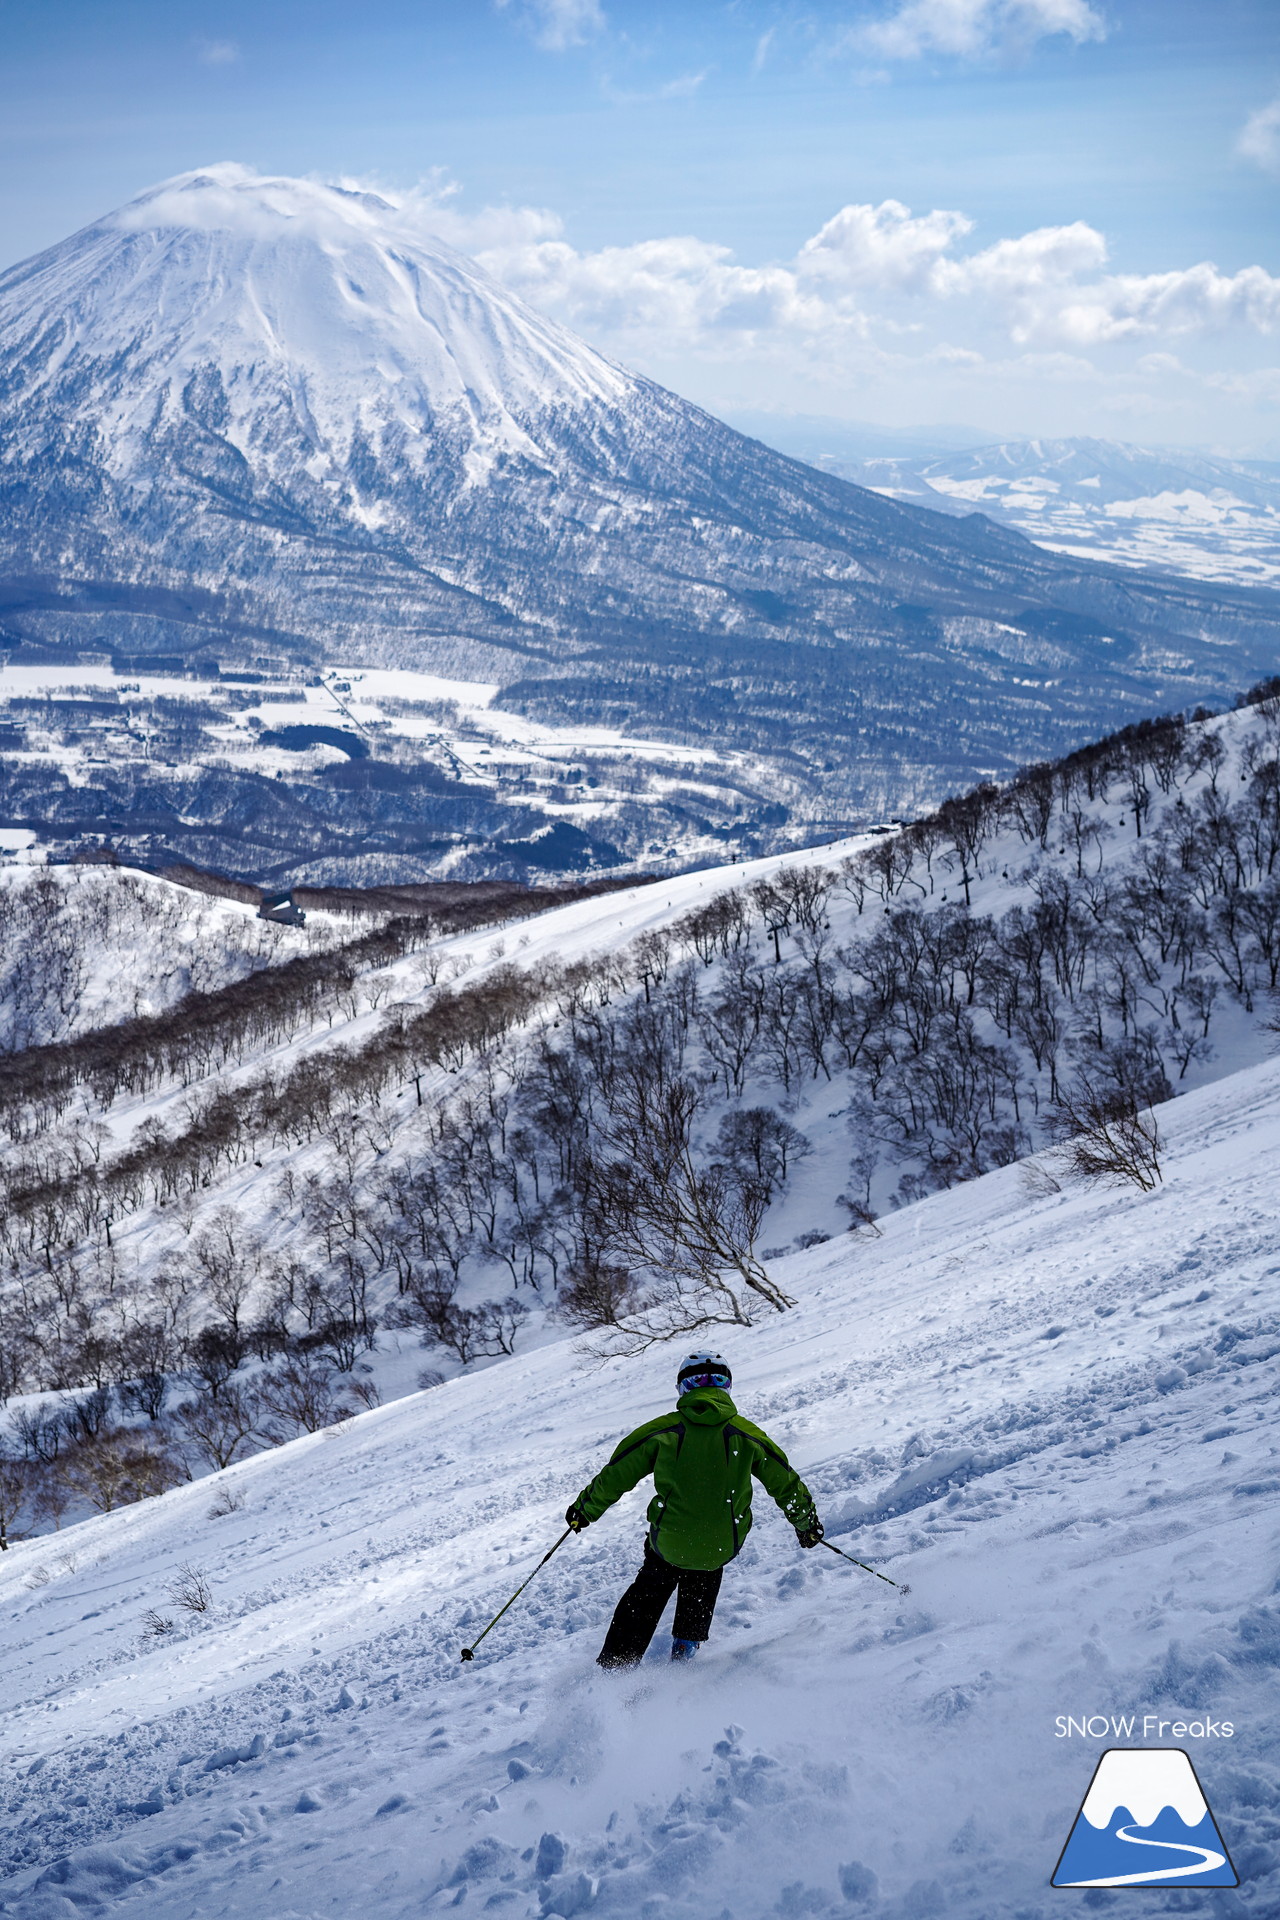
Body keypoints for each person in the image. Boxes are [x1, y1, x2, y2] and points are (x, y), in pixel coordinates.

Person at [565, 1351, 824, 1668]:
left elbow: (615, 1475)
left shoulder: (663, 1432)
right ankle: (685, 1650)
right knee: (705, 1573)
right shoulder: (747, 1434)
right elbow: (785, 1483)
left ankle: (616, 1665)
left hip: (670, 1541)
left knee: (648, 1591)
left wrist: (584, 1511)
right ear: (727, 1387)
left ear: (682, 1389)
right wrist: (806, 1524)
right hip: (721, 1542)